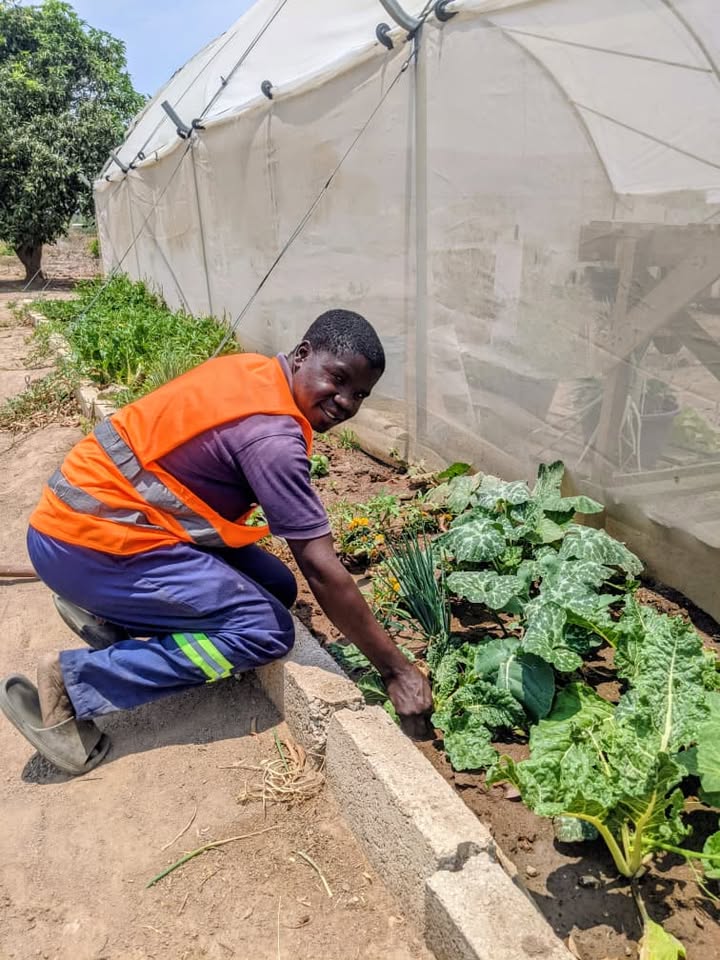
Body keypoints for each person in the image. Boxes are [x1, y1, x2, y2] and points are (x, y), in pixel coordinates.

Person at [0, 309, 433, 775]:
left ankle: (110, 611)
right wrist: (396, 669)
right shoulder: (271, 436)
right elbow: (323, 571)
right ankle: (72, 685)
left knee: (278, 587)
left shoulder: (254, 372)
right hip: (89, 545)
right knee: (264, 631)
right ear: (303, 354)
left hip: (87, 520)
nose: (346, 402)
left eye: (360, 395)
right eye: (339, 379)